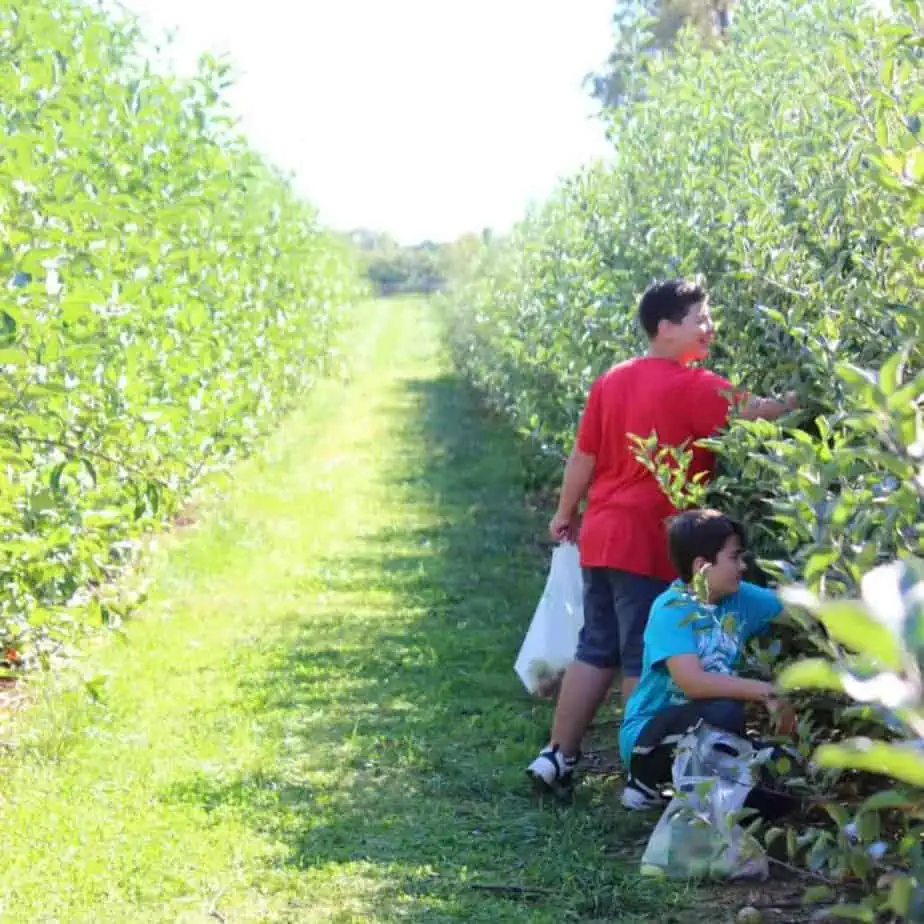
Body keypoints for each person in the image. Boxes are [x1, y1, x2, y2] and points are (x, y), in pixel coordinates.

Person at [527, 279, 796, 797]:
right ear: (666, 328)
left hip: (602, 534)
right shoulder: (692, 385)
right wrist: (796, 399)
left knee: (594, 648)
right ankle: (640, 777)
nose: (709, 328)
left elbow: (584, 455)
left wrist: (566, 512)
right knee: (641, 658)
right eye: (700, 318)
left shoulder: (613, 379)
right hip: (650, 538)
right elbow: (753, 410)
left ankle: (557, 756)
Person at [618, 509, 796, 811]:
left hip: (710, 733)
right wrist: (765, 691)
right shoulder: (671, 608)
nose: (742, 566)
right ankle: (645, 781)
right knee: (723, 713)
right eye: (734, 557)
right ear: (702, 566)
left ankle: (708, 794)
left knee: (782, 787)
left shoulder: (740, 598)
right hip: (650, 738)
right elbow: (692, 683)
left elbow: (803, 610)